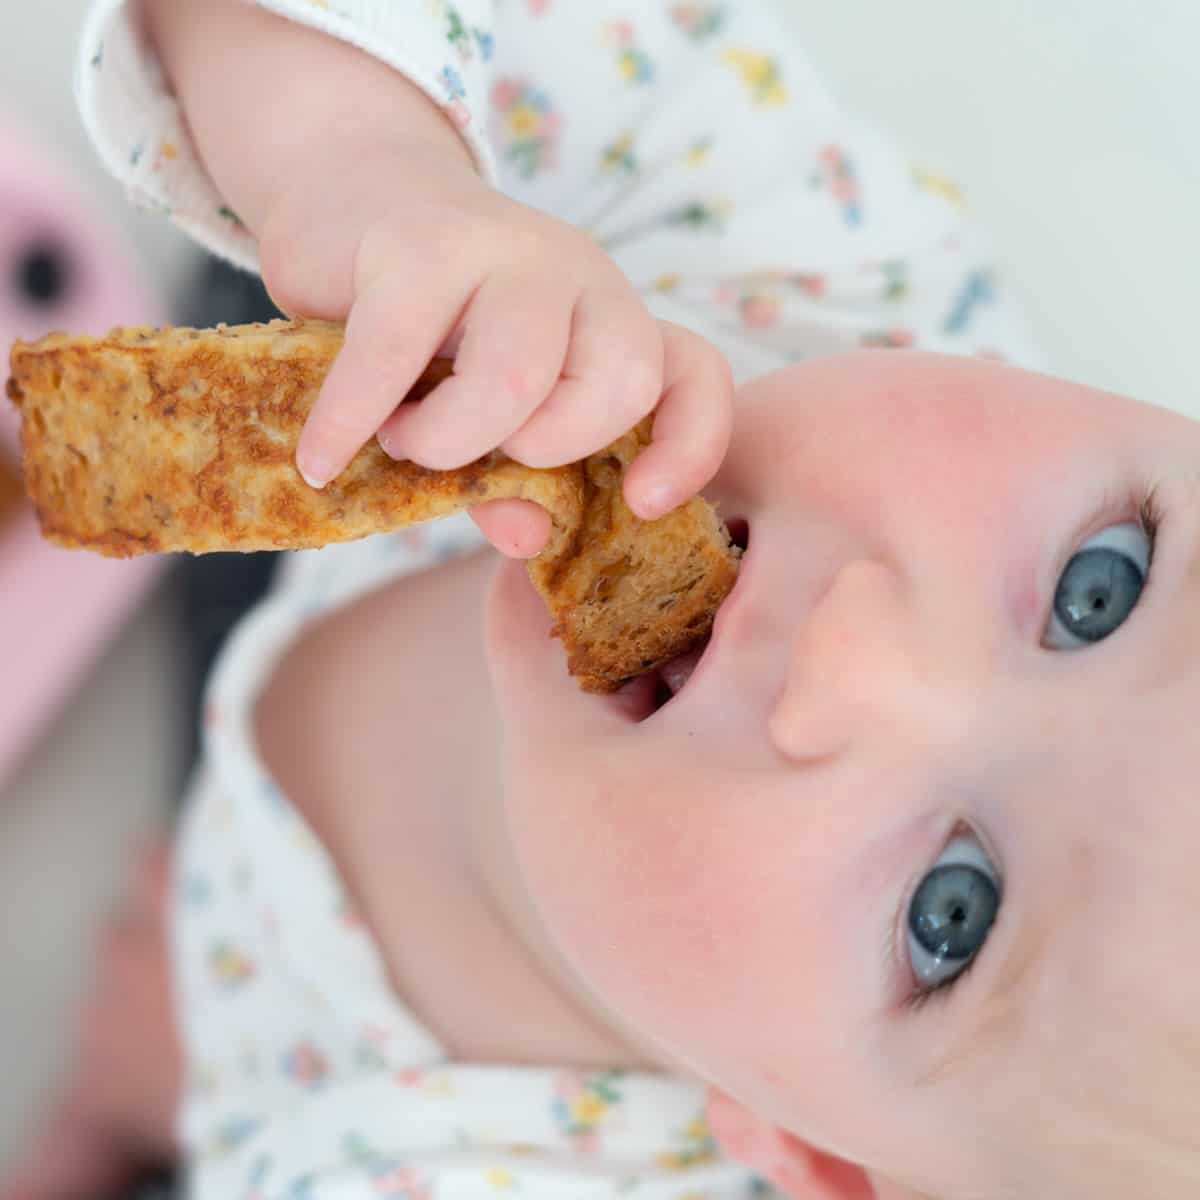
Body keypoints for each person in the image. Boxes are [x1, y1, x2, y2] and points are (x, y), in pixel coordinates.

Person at [14, 2, 1199, 1198]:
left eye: (952, 914)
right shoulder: (807, 268)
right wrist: (369, 168)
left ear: (827, 1161)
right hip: (334, 518)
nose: (851, 651)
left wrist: (208, 1068)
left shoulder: (429, 1170)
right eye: (1102, 587)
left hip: (288, 1015)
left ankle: (118, 1110)